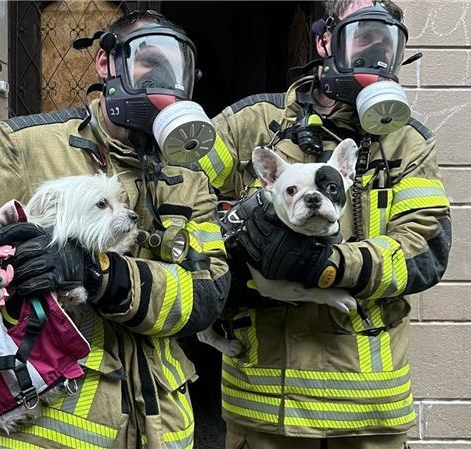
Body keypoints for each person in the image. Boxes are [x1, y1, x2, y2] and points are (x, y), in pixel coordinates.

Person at [0, 10, 229, 449]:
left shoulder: (188, 179)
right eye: (149, 62)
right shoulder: (20, 148)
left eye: (178, 71)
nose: (164, 81)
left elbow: (206, 295)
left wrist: (102, 275)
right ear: (106, 63)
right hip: (37, 426)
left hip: (162, 431)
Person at [191, 1, 452, 448]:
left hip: (367, 410)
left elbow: (425, 251)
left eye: (388, 43)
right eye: (363, 36)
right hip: (264, 406)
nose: (377, 53)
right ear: (325, 40)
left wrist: (327, 265)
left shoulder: (407, 142)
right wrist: (224, 263)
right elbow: (179, 188)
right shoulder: (254, 124)